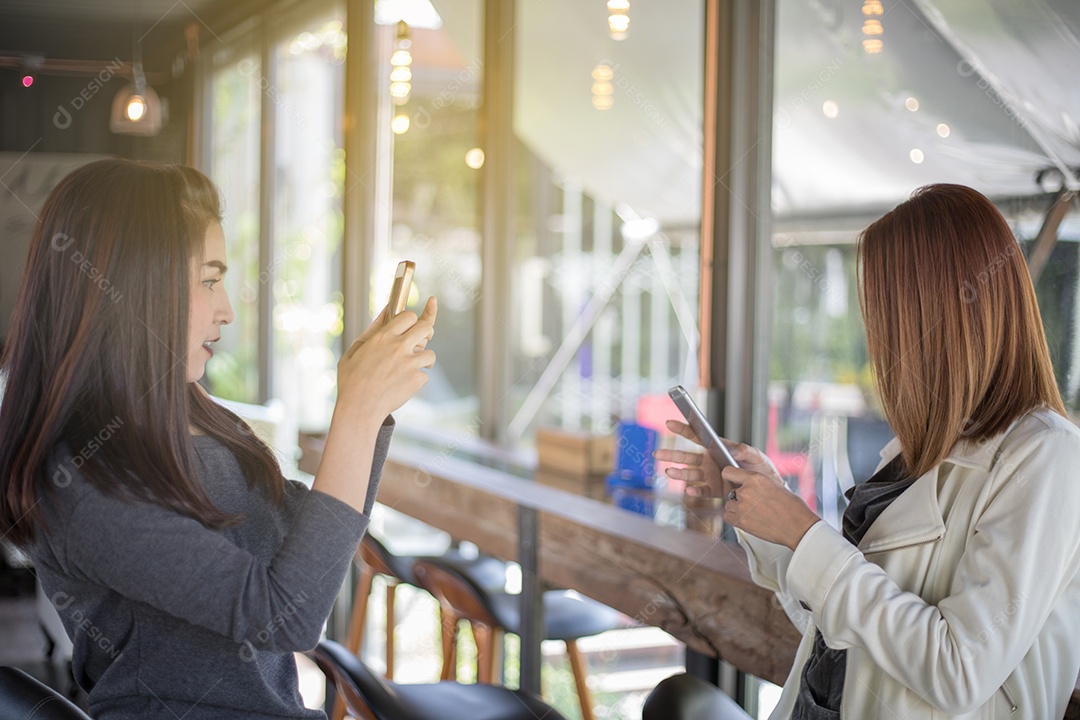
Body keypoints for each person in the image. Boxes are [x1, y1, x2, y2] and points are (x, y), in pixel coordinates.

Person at [0, 158, 437, 719]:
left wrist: (368, 410)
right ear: (135, 287)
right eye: (209, 280)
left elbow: (303, 549)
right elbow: (285, 617)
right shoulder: (80, 476)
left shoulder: (187, 415)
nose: (227, 310)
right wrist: (356, 412)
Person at [657, 184, 1080, 719]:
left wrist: (800, 531)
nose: (878, 339)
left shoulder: (1047, 457)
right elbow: (839, 625)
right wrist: (769, 515)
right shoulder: (915, 451)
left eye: (886, 313)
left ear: (941, 314)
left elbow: (959, 671)